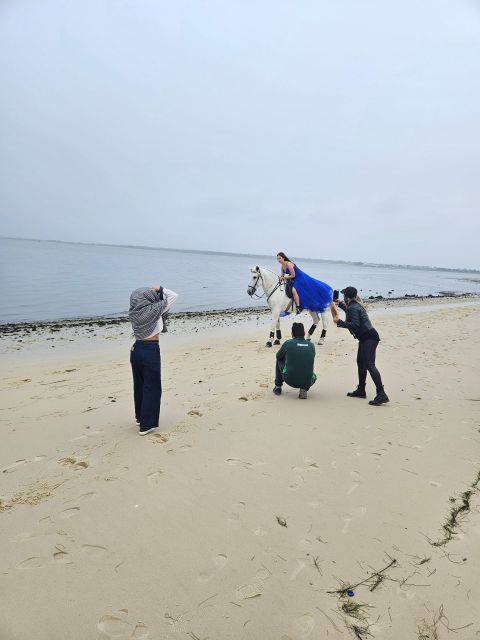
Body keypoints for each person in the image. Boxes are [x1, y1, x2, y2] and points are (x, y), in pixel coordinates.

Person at [128, 285, 178, 435]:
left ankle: (140, 418)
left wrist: (155, 292)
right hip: (150, 349)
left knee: (140, 386)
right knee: (152, 387)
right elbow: (174, 296)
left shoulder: (134, 312)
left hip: (136, 349)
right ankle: (147, 425)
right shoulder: (154, 310)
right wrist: (160, 288)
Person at [333, 286, 389, 406]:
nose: (343, 296)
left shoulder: (354, 307)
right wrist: (340, 305)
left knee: (370, 365)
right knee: (360, 362)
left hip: (369, 338)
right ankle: (361, 390)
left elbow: (355, 324)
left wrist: (340, 323)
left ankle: (381, 393)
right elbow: (349, 310)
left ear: (347, 296)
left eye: (344, 295)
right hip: (367, 337)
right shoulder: (354, 305)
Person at [273, 322, 317, 399]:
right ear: (304, 333)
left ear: (292, 333)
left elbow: (278, 356)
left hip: (290, 379)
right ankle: (303, 389)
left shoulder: (288, 343)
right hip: (308, 381)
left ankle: (278, 386)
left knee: (279, 359)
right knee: (308, 366)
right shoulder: (311, 345)